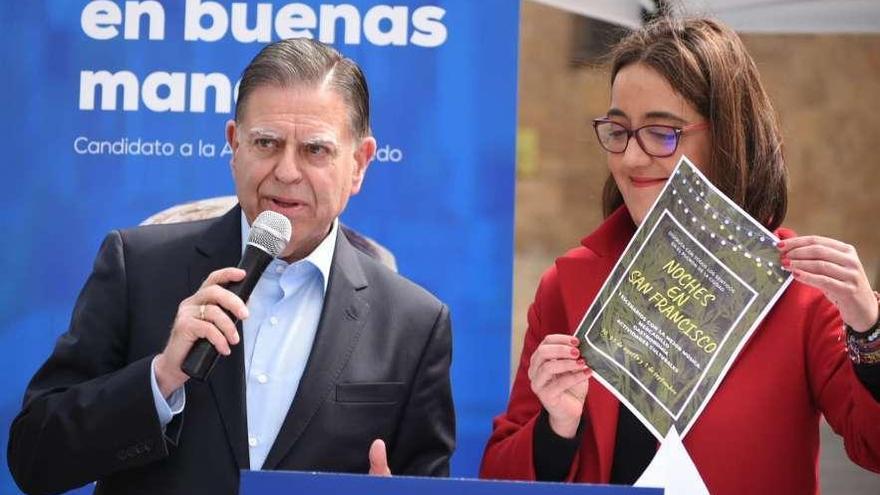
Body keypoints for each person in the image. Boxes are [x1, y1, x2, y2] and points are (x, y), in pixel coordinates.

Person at [8, 38, 454, 495]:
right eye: (266, 143)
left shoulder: (414, 323)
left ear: (359, 164)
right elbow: (34, 458)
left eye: (315, 151)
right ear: (233, 145)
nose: (286, 172)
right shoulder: (137, 267)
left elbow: (425, 481)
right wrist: (159, 379)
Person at [480, 17, 880, 494]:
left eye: (661, 133)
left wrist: (869, 328)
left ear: (728, 137)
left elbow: (871, 447)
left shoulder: (800, 294)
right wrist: (555, 429)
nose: (630, 158)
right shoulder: (568, 284)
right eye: (618, 130)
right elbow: (497, 476)